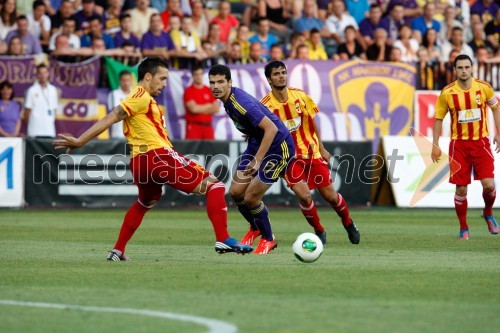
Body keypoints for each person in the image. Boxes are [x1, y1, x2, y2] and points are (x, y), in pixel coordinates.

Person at [53, 57, 252, 260]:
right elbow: (112, 115)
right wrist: (80, 140)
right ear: (148, 76)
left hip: (139, 162)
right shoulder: (140, 96)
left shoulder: (143, 99)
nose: (165, 84)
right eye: (162, 78)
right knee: (215, 186)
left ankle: (118, 250)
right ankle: (223, 237)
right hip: (157, 155)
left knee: (145, 201)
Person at [262, 61, 360, 245]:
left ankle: (348, 223)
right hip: (288, 158)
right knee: (304, 195)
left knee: (331, 196)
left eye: (283, 72)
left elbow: (313, 122)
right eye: (276, 74)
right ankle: (319, 230)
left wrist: (322, 148)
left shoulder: (300, 96)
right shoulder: (265, 106)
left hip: (311, 152)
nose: (281, 76)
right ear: (269, 79)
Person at [208, 64, 295, 254]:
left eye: (221, 82)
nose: (216, 86)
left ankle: (269, 238)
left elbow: (271, 128)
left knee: (251, 198)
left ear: (230, 82)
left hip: (278, 148)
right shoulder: (228, 101)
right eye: (212, 82)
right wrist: (250, 132)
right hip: (258, 142)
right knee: (236, 193)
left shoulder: (240, 102)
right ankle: (255, 227)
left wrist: (257, 160)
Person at [431, 54, 500, 240]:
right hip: (459, 146)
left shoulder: (484, 88)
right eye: (460, 67)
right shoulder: (447, 93)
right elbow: (438, 119)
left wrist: (499, 132)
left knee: (489, 185)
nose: (463, 71)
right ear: (455, 70)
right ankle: (464, 227)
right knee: (461, 189)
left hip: (480, 143)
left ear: (472, 68)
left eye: (466, 67)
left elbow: (495, 107)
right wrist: (435, 144)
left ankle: (488, 212)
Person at [183, 66, 218, 139]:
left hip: (208, 127)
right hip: (194, 127)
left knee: (211, 150)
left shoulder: (209, 90)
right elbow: (193, 109)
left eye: (200, 74)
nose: (199, 77)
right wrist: (209, 105)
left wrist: (199, 108)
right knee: (192, 150)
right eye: (196, 74)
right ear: (193, 76)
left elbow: (216, 109)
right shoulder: (189, 91)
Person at [24, 64, 58, 138]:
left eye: (45, 72)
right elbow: (27, 110)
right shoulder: (31, 90)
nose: (43, 75)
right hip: (35, 130)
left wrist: (50, 120)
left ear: (48, 74)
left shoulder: (53, 89)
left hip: (49, 129)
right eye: (40, 73)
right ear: (37, 75)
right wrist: (30, 124)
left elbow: (54, 109)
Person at [107, 70, 133, 139]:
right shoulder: (114, 94)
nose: (126, 83)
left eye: (128, 80)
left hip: (134, 136)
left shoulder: (135, 94)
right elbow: (117, 112)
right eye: (124, 80)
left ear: (131, 81)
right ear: (120, 81)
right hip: (118, 134)